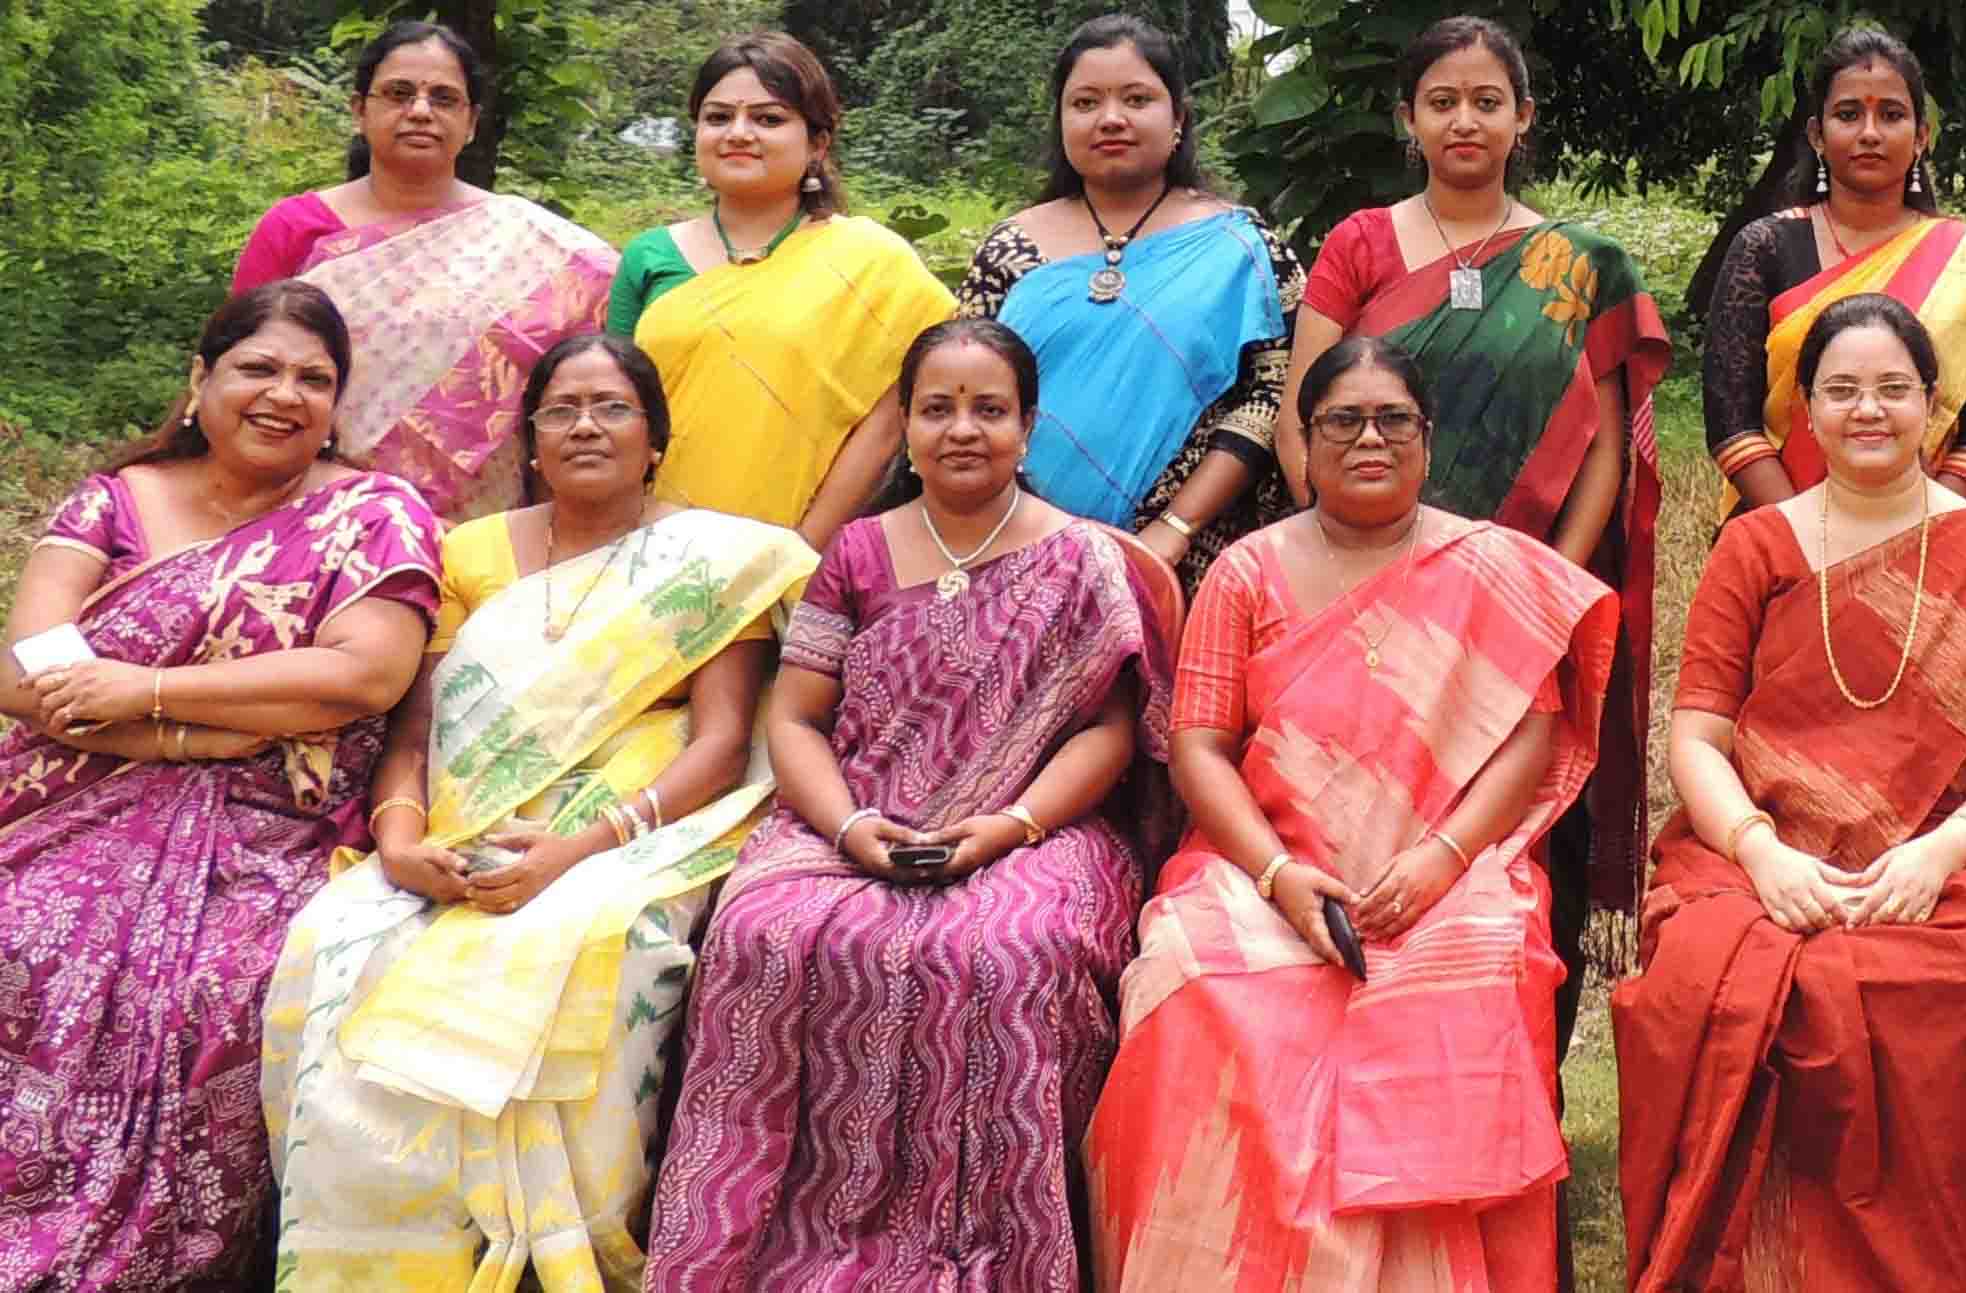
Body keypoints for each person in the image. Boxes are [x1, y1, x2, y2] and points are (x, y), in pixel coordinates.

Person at [262, 333, 819, 1291]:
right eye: (561, 409)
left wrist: (576, 849)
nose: (585, 426)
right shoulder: (468, 553)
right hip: (464, 818)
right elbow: (416, 731)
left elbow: (724, 741)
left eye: (612, 408)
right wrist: (401, 846)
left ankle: (561, 1245)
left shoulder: (717, 561)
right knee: (337, 943)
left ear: (655, 438)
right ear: (531, 439)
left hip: (638, 827)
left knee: (598, 942)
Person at [647, 320, 1176, 1292]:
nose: (962, 429)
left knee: (1010, 952)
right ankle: (767, 1246)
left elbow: (1107, 731)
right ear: (907, 424)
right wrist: (851, 827)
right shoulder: (857, 551)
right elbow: (794, 719)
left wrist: (1009, 826)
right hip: (853, 814)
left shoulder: (1080, 561)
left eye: (989, 409)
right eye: (937, 408)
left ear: (1027, 427)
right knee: (763, 933)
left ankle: (998, 1253)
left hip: (1036, 824)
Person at [1090, 338, 1616, 1291]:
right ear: (1304, 441)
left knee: (1476, 969)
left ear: (1427, 439)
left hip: (1444, 868)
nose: (1370, 438)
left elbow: (1531, 735)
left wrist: (1442, 858)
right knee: (1192, 977)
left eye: (1392, 420)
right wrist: (1279, 876)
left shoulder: (1490, 567)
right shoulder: (1247, 570)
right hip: (1263, 864)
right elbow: (1200, 744)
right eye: (1343, 420)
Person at [1617, 295, 1966, 1291]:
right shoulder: (1755, 547)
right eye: (1841, 390)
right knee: (1702, 983)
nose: (1869, 410)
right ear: (1805, 407)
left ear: (1933, 404)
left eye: (1893, 388)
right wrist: (1761, 854)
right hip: (1759, 847)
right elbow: (1698, 738)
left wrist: (1942, 852)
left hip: (1956, 852)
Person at [0, 282, 441, 1290]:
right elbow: (27, 672)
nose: (284, 395)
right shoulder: (117, 499)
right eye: (258, 368)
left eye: (314, 379)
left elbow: (362, 676)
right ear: (201, 380)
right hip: (68, 795)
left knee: (215, 984)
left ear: (337, 404)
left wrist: (145, 693)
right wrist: (195, 729)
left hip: (270, 821)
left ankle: (147, 1259)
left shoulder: (373, 514)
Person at [1281, 13, 1671, 1035]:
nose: (1465, 120)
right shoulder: (1359, 245)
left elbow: (1604, 452)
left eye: (1487, 101)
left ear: (1523, 118)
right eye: (1443, 101)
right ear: (1407, 118)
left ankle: (1525, 1074)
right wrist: (1350, 567)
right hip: (1371, 595)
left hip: (1526, 604)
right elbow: (1301, 418)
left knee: (1536, 840)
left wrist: (1546, 596)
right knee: (1374, 823)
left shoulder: (1580, 262)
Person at [1693, 26, 1966, 551]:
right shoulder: (1764, 248)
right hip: (1780, 542)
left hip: (1931, 548)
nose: (1870, 133)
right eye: (1848, 114)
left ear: (1922, 136)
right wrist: (1810, 537)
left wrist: (1904, 542)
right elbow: (1731, 422)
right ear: (1816, 134)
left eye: (1892, 115)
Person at [959, 14, 1300, 583]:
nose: (1111, 118)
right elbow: (961, 393)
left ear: (1178, 119)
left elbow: (1275, 394)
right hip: (1015, 552)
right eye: (1085, 102)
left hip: (1189, 561)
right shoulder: (1008, 249)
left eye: (1137, 99)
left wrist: (1175, 529)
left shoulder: (1241, 246)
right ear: (1060, 121)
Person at [231, 21, 616, 520]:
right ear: (359, 110)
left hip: (476, 526)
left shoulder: (535, 243)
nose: (419, 111)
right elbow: (236, 370)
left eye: (443, 98)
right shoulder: (296, 227)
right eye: (398, 93)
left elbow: (587, 383)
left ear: (471, 122)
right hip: (304, 505)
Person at [609, 31, 954, 546]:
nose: (738, 133)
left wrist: (800, 550)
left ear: (818, 143)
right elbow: (612, 409)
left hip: (800, 549)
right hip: (645, 545)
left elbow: (885, 428)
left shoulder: (871, 262)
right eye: (718, 117)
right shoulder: (648, 256)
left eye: (768, 119)